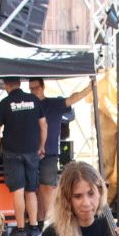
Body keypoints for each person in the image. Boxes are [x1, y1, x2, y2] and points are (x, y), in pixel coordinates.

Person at [28, 78, 89, 224]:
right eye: (31, 89)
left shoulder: (54, 103)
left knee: (48, 186)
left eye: (36, 87)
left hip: (50, 152)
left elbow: (73, 98)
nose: (34, 91)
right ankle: (37, 221)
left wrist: (90, 88)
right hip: (30, 152)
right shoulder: (28, 105)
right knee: (32, 189)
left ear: (43, 87)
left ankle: (49, 221)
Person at [0, 77, 43, 236]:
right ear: (20, 83)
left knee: (18, 191)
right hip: (32, 151)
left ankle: (20, 229)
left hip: (12, 152)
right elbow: (44, 125)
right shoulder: (34, 100)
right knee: (31, 190)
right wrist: (41, 146)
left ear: (6, 86)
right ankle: (33, 227)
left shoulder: (4, 104)